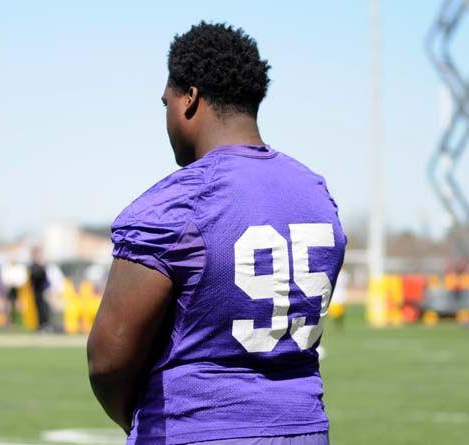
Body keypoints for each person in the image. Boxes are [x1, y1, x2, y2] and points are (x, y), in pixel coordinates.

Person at [87, 22, 346, 445]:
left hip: (198, 429)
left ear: (189, 98)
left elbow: (107, 360)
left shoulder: (176, 203)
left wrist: (140, 420)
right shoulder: (315, 193)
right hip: (303, 429)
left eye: (166, 102)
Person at [28, 247, 50, 331]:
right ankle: (40, 325)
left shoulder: (42, 266)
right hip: (37, 291)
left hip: (43, 291)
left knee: (44, 309)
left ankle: (44, 325)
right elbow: (36, 278)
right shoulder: (34, 267)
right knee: (39, 309)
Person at [0, 259, 27, 326]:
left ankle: (20, 322)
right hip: (8, 288)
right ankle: (8, 322)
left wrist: (17, 283)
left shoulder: (20, 267)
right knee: (8, 305)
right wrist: (9, 283)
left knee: (19, 305)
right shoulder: (6, 267)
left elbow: (23, 278)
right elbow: (4, 278)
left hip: (19, 288)